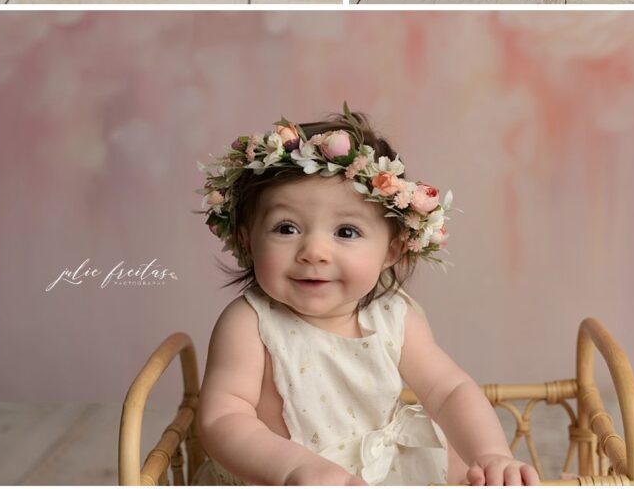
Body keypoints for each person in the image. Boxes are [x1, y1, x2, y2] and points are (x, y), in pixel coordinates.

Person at [195, 107, 540, 486]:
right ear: (247, 239)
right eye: (287, 227)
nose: (314, 251)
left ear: (392, 250)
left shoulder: (394, 316)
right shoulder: (250, 323)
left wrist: (491, 454)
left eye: (345, 232)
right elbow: (224, 417)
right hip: (284, 475)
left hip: (381, 473)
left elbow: (449, 390)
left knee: (459, 468)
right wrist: (295, 467)